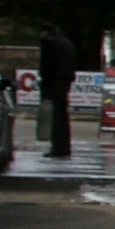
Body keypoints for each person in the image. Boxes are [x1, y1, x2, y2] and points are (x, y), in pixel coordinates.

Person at [37, 27, 78, 160]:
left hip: (54, 81)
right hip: (65, 80)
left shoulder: (49, 42)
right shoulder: (68, 43)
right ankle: (64, 146)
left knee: (55, 116)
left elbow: (46, 66)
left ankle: (57, 147)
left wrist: (44, 85)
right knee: (62, 115)